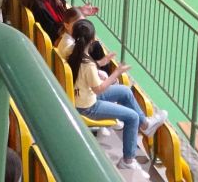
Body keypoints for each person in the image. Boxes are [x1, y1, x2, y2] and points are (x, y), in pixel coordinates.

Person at [67, 19, 168, 171]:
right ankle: (128, 160)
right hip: (87, 106)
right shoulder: (87, 64)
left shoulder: (72, 51)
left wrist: (101, 63)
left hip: (82, 96)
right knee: (132, 117)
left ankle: (146, 125)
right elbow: (99, 89)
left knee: (125, 91)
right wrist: (116, 73)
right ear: (92, 39)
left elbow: (86, 74)